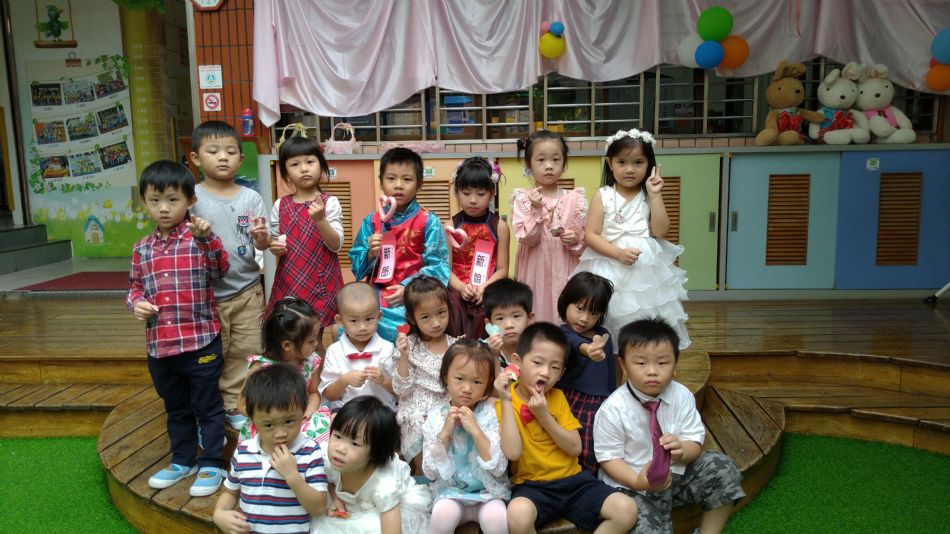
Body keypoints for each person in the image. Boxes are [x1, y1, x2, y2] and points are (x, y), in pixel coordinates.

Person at [127, 160, 230, 497]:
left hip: (201, 342)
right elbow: (134, 287)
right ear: (144, 202)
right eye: (155, 200)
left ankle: (212, 463)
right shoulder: (141, 248)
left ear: (190, 200)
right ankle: (182, 460)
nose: (164, 208)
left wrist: (207, 239)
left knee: (208, 406)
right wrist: (136, 303)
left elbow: (221, 269)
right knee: (176, 408)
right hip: (160, 346)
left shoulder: (199, 237)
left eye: (172, 199)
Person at [594, 318, 745, 534]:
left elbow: (694, 440)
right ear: (624, 366)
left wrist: (682, 451)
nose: (652, 371)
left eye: (662, 363)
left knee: (721, 468)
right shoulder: (613, 409)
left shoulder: (682, 395)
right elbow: (609, 458)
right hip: (630, 485)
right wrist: (638, 482)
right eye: (641, 363)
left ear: (675, 365)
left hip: (674, 474)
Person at [494, 323, 637, 534]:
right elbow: (513, 453)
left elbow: (574, 448)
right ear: (517, 362)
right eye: (537, 362)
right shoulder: (505, 403)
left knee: (626, 509)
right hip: (532, 487)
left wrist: (544, 416)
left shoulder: (558, 397)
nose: (545, 372)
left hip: (574, 482)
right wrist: (505, 400)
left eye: (554, 367)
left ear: (561, 373)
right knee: (517, 514)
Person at [573, 129, 690, 348]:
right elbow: (591, 234)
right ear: (610, 163)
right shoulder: (603, 195)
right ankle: (610, 365)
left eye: (638, 162)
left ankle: (641, 364)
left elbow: (661, 231)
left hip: (644, 269)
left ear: (649, 164)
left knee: (643, 317)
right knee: (609, 316)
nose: (630, 169)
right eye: (622, 162)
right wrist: (618, 253)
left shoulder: (648, 195)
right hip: (608, 263)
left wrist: (655, 195)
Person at [189, 120, 269, 431]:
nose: (223, 157)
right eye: (213, 151)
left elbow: (261, 244)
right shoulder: (191, 198)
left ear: (241, 158)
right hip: (206, 294)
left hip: (247, 288)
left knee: (245, 349)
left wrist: (262, 239)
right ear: (196, 158)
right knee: (211, 353)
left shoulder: (251, 198)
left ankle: (234, 403)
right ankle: (207, 407)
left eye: (230, 152)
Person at [251, 134, 344, 354]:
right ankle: (294, 376)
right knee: (289, 339)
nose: (304, 169)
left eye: (310, 162)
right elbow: (272, 243)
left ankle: (319, 376)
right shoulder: (280, 204)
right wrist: (267, 242)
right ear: (285, 172)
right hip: (291, 280)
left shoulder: (330, 202)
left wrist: (320, 220)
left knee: (314, 339)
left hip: (321, 281)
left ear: (321, 166)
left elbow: (336, 244)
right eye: (295, 164)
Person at [349, 147, 450, 342]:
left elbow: (439, 266)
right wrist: (370, 254)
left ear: (419, 184)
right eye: (391, 178)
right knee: (355, 321)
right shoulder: (372, 221)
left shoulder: (428, 221)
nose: (398, 185)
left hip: (415, 294)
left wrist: (408, 288)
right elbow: (356, 266)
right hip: (378, 294)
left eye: (407, 179)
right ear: (381, 182)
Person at [214, 363, 328, 533]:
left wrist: (292, 476)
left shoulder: (310, 452)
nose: (281, 433)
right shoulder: (244, 451)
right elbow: (231, 492)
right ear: (252, 418)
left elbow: (318, 508)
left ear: (303, 411)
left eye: (289, 421)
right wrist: (219, 513)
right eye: (268, 425)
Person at [422, 339, 509, 534]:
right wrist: (444, 434)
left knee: (496, 519)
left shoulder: (490, 413)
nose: (467, 388)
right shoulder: (435, 417)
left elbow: (499, 468)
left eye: (477, 382)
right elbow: (430, 472)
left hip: (489, 493)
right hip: (451, 493)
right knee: (442, 515)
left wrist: (476, 430)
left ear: (487, 385)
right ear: (445, 376)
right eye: (460, 378)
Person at [311, 396, 431, 534]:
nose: (340, 449)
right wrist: (336, 498)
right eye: (337, 436)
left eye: (354, 443)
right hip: (358, 503)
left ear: (374, 453)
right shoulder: (331, 460)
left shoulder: (384, 485)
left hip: (390, 507)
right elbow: (328, 480)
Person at [511, 130, 588, 324]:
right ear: (528, 164)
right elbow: (527, 238)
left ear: (564, 163)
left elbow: (586, 242)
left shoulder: (575, 199)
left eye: (555, 159)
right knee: (536, 310)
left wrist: (575, 239)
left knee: (564, 311)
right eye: (541, 160)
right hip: (535, 266)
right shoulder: (523, 198)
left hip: (565, 267)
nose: (549, 166)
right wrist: (537, 210)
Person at [236, 297, 332, 445]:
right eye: (311, 341)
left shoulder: (310, 362)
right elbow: (242, 405)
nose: (316, 344)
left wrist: (309, 412)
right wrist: (271, 419)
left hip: (300, 419)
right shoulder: (261, 368)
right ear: (287, 345)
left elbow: (313, 393)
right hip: (270, 424)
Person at [392, 276, 457, 467]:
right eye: (426, 317)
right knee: (417, 422)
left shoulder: (456, 346)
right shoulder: (408, 346)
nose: (436, 323)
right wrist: (404, 357)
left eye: (441, 313)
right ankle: (421, 475)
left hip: (446, 405)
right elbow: (401, 390)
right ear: (412, 318)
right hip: (416, 407)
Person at [556, 272, 616, 473]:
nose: (584, 318)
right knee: (571, 445)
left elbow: (610, 373)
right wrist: (588, 350)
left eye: (593, 313)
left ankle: (589, 481)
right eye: (580, 308)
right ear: (566, 302)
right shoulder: (563, 332)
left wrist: (613, 398)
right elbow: (574, 343)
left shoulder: (604, 336)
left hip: (600, 404)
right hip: (570, 400)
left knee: (593, 447)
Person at [446, 157, 510, 339]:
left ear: (492, 192)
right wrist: (461, 287)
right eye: (466, 193)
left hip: (488, 288)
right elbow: (445, 269)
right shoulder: (450, 226)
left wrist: (483, 288)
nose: (473, 200)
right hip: (457, 289)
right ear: (457, 192)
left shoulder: (500, 227)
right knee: (451, 306)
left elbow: (503, 270)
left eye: (481, 194)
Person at [320, 282, 398, 412]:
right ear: (340, 321)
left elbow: (400, 390)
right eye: (354, 321)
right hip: (345, 413)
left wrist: (383, 380)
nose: (362, 327)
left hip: (381, 412)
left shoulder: (387, 348)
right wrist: (344, 380)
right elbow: (329, 395)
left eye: (369, 319)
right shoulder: (334, 351)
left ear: (379, 317)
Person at [481, 278, 535, 371]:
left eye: (516, 316)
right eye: (500, 318)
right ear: (489, 324)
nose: (509, 325)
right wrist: (494, 356)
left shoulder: (537, 350)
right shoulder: (480, 352)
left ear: (529, 319)